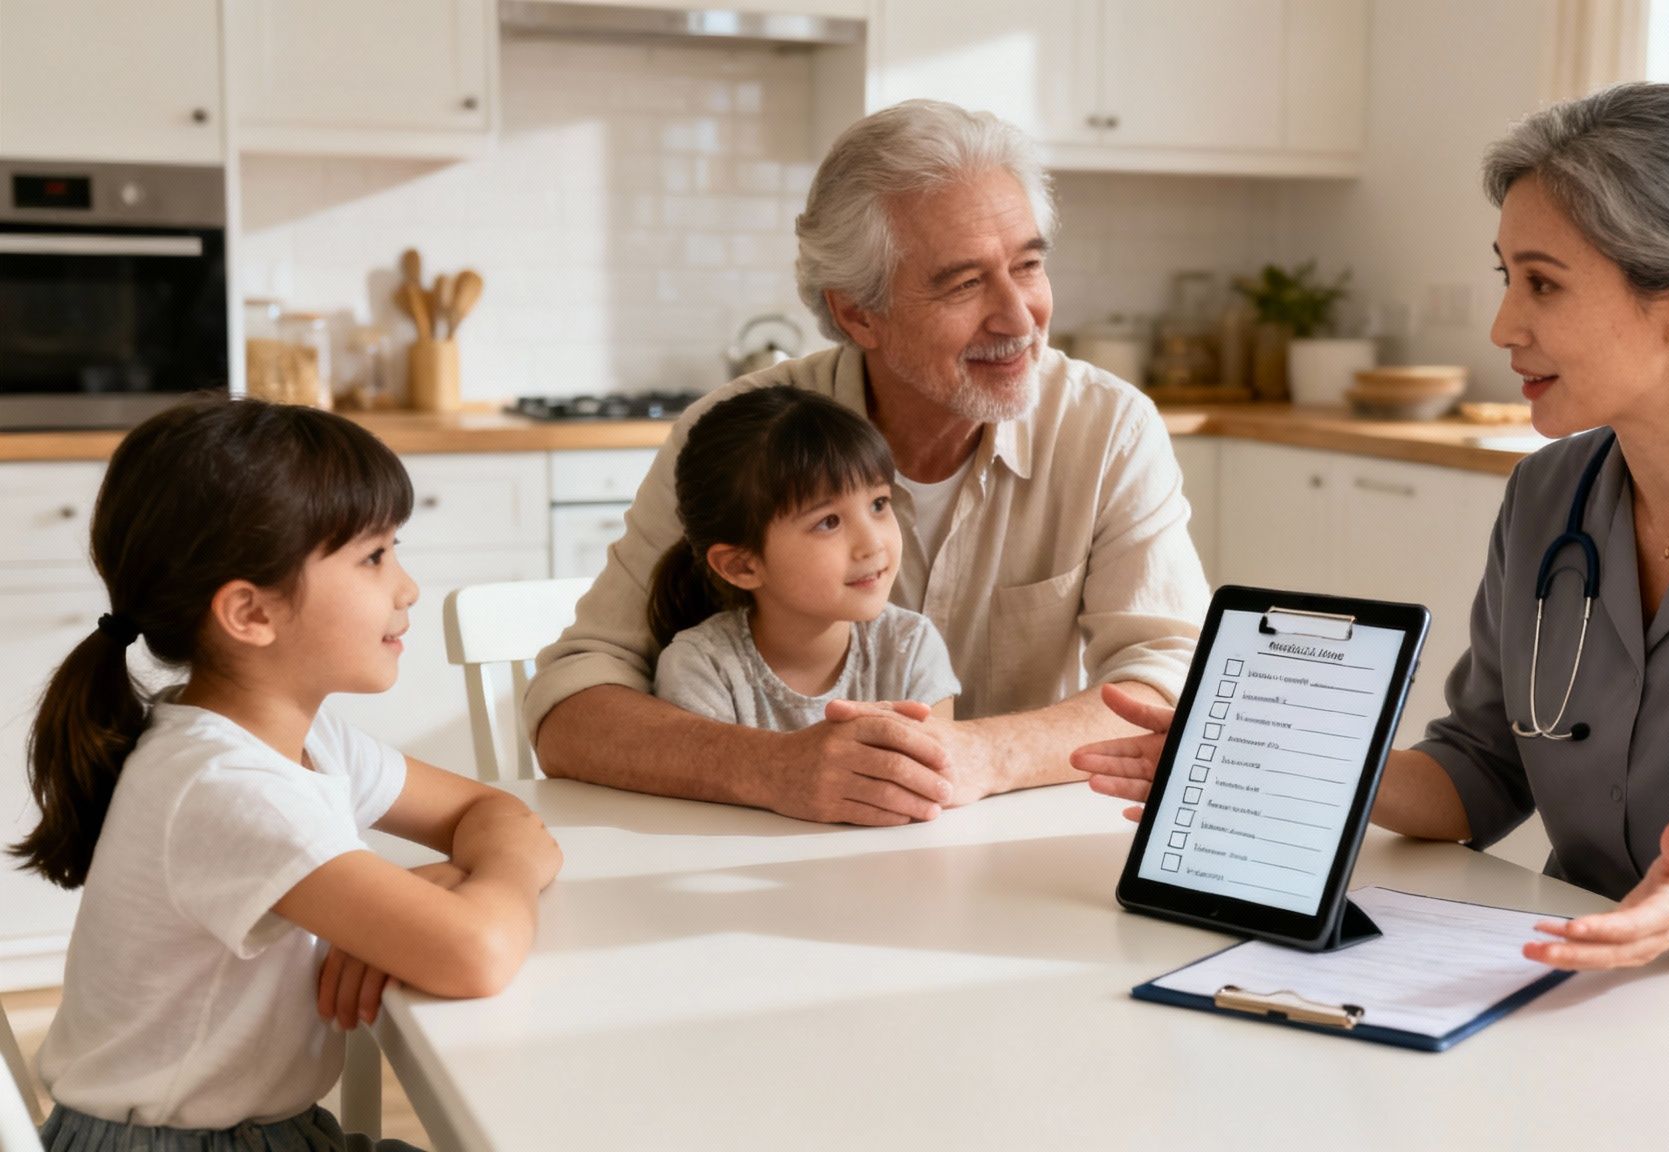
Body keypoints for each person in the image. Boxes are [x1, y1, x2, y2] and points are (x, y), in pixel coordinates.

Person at [1074, 83, 1669, 1031]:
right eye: (1504, 277)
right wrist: (1284, 762)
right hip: (1612, 988)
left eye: (1543, 283)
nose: (1502, 325)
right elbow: (1481, 772)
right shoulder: (1549, 496)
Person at [525, 99, 1209, 826]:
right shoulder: (737, 437)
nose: (1018, 317)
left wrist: (978, 755)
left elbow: (1171, 684)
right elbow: (571, 707)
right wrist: (767, 766)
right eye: (964, 283)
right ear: (857, 313)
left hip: (1006, 857)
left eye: (1028, 265)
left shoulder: (1108, 428)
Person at [14, 398, 564, 1148]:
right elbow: (479, 950)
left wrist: (445, 888)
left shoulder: (302, 741)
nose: (407, 588)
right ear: (251, 613)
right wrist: (494, 878)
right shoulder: (223, 787)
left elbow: (490, 813)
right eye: (374, 557)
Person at [649, 385, 960, 729]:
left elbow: (937, 771)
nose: (872, 544)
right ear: (742, 565)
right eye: (829, 522)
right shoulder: (702, 669)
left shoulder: (911, 647)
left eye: (879, 504)